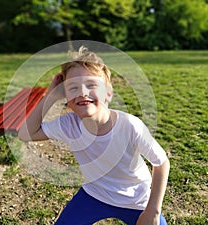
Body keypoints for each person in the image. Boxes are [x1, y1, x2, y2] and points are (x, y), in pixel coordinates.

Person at [18, 46, 170, 225]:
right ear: (66, 99)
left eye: (91, 85)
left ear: (108, 94)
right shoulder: (69, 124)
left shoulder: (130, 126)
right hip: (94, 194)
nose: (82, 92)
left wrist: (152, 210)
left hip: (135, 201)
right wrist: (51, 95)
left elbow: (161, 163)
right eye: (73, 88)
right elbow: (25, 134)